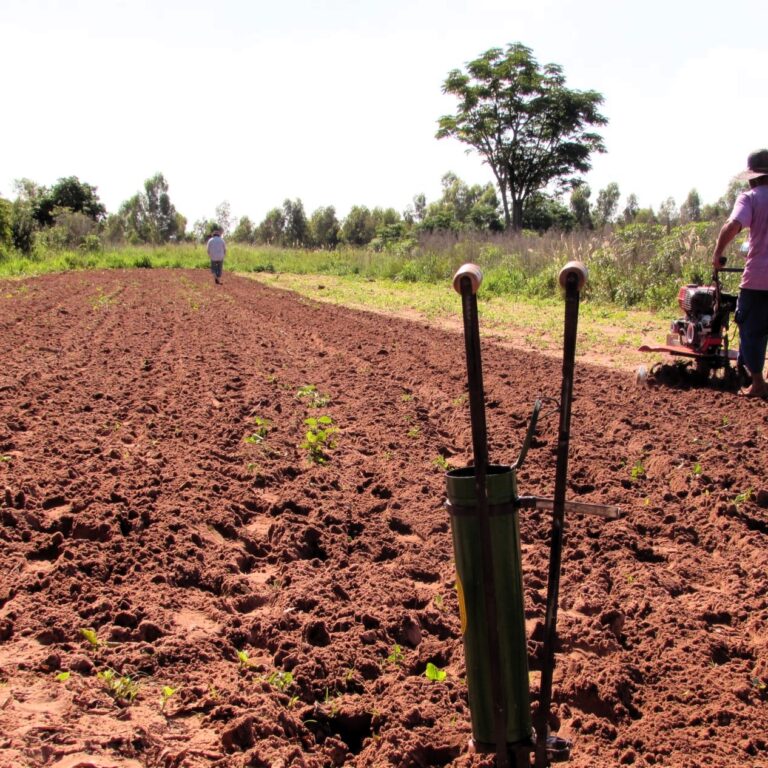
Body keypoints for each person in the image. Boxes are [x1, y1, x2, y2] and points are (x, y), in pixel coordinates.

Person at [712, 148, 768, 398]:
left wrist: (718, 253)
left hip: (758, 278)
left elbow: (733, 225)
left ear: (752, 176)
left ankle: (757, 382)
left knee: (750, 330)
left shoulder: (751, 197)